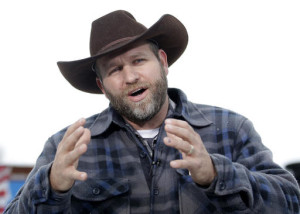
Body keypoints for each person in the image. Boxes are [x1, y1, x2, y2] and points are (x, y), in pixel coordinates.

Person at [4, 10, 300, 214]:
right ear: (102, 85)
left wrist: (215, 174)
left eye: (138, 60)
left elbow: (290, 203)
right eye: (115, 69)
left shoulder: (230, 129)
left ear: (162, 61)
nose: (130, 76)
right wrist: (52, 186)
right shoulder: (66, 147)